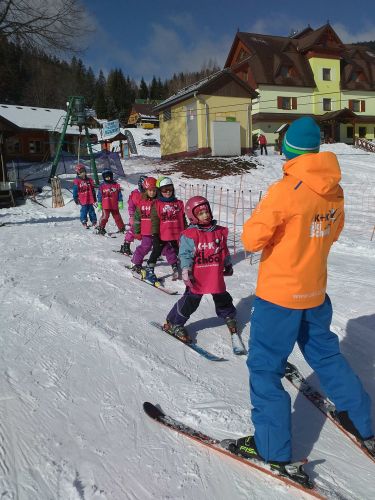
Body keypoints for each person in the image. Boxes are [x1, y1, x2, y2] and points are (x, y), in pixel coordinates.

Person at [227, 116, 374, 478]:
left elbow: (250, 240)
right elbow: (333, 232)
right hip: (314, 290)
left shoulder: (286, 189)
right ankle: (364, 422)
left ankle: (271, 447)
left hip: (279, 296)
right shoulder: (334, 189)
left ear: (289, 149)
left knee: (264, 368)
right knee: (326, 356)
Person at [162, 196, 245, 351]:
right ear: (193, 216)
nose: (205, 215)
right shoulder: (191, 234)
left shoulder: (219, 232)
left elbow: (223, 250)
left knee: (221, 295)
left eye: (206, 211)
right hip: (198, 276)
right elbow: (185, 254)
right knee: (191, 300)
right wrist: (185, 269)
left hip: (214, 272)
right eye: (200, 213)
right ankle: (174, 322)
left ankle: (228, 315)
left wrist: (227, 263)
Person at [130, 177, 177, 275]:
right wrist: (137, 231)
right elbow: (137, 219)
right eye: (150, 190)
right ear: (146, 190)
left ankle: (174, 263)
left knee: (166, 248)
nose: (152, 193)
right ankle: (136, 262)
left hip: (159, 232)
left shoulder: (159, 203)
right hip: (146, 232)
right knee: (145, 247)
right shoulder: (141, 203)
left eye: (154, 190)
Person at [142, 176, 184, 285]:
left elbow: (183, 218)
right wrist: (155, 234)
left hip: (177, 234)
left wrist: (187, 231)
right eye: (164, 190)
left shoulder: (178, 203)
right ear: (160, 191)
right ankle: (149, 269)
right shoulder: (157, 205)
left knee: (181, 251)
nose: (168, 192)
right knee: (156, 251)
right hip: (162, 234)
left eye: (170, 189)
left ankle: (182, 267)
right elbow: (155, 221)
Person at [119, 175, 147, 255]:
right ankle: (126, 245)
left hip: (146, 216)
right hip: (136, 216)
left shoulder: (149, 194)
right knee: (134, 229)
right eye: (144, 186)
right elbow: (131, 205)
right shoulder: (135, 194)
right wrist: (132, 215)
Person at [97, 169, 125, 235]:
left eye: (109, 176)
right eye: (106, 177)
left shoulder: (116, 185)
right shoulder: (102, 186)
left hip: (114, 204)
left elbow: (119, 194)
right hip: (106, 205)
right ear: (104, 178)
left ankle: (121, 228)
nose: (108, 178)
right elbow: (99, 195)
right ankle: (101, 227)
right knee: (105, 217)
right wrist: (99, 203)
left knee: (117, 217)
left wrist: (120, 202)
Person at [72, 164, 97, 228]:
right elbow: (75, 190)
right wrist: (75, 198)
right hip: (83, 199)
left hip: (90, 198)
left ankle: (94, 221)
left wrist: (94, 197)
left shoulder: (89, 180)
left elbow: (93, 189)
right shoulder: (77, 181)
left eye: (84, 171)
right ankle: (84, 221)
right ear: (78, 173)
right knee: (84, 210)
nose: (83, 173)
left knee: (91, 210)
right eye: (81, 172)